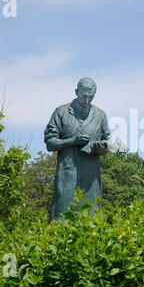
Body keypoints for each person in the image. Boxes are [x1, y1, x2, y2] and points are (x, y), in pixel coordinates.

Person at [44, 77, 111, 221]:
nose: (87, 100)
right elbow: (50, 142)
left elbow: (108, 142)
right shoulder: (61, 112)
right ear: (76, 92)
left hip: (91, 177)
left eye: (91, 96)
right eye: (84, 96)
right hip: (67, 173)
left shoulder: (100, 115)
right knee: (62, 215)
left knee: (92, 217)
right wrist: (72, 141)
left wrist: (99, 146)